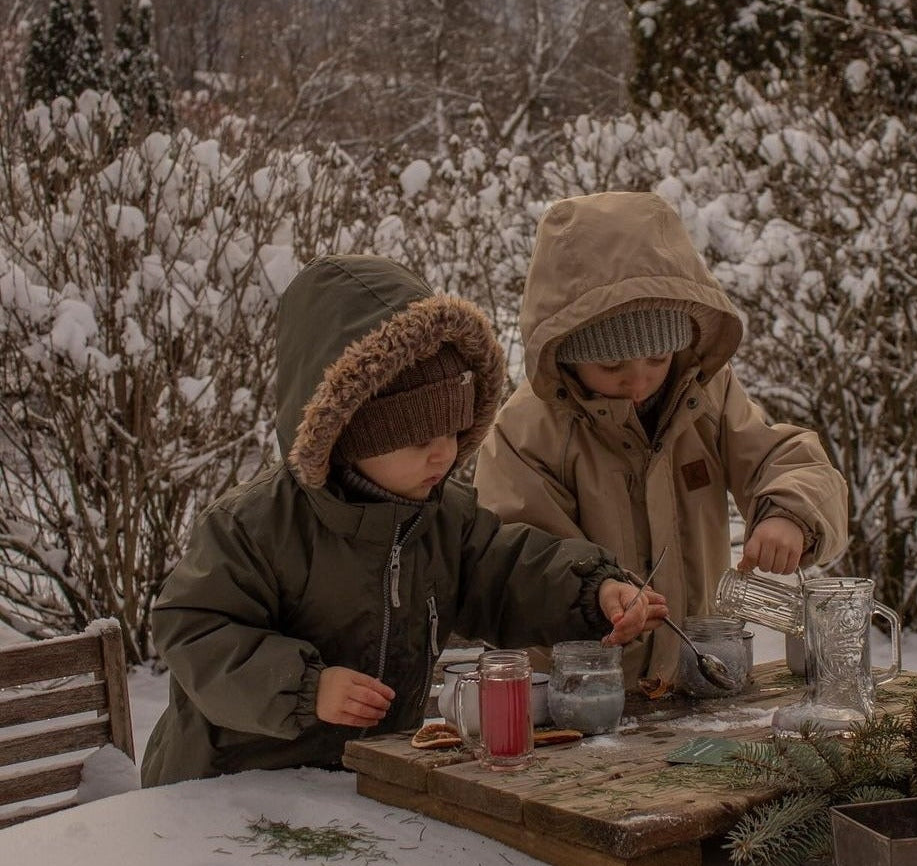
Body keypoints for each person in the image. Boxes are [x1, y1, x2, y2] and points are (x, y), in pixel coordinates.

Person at [141, 254, 665, 787]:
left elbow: (507, 571)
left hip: (363, 781)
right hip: (230, 787)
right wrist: (304, 687)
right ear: (349, 431)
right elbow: (193, 627)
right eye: (420, 440)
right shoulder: (252, 526)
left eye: (455, 431)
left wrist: (592, 591)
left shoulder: (442, 514)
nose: (445, 455)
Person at [473, 191, 848, 693]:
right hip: (576, 695)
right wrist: (595, 593)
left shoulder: (705, 393)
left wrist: (790, 513)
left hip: (696, 680)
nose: (640, 381)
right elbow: (516, 558)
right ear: (565, 353)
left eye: (657, 358)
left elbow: (782, 456)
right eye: (612, 366)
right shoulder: (527, 432)